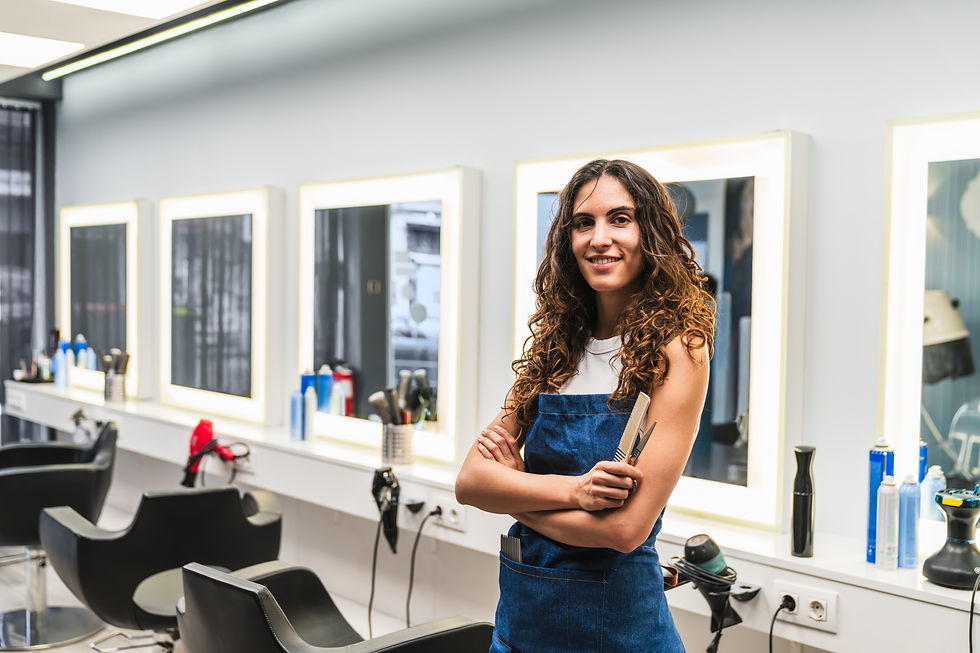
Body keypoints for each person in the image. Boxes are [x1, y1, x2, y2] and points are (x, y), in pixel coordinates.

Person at [455, 158, 714, 652]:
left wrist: (515, 491)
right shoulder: (555, 348)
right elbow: (470, 482)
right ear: (567, 241)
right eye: (583, 222)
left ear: (651, 232)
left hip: (621, 633)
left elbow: (623, 529)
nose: (599, 238)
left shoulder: (680, 350)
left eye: (620, 218)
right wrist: (577, 492)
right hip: (523, 627)